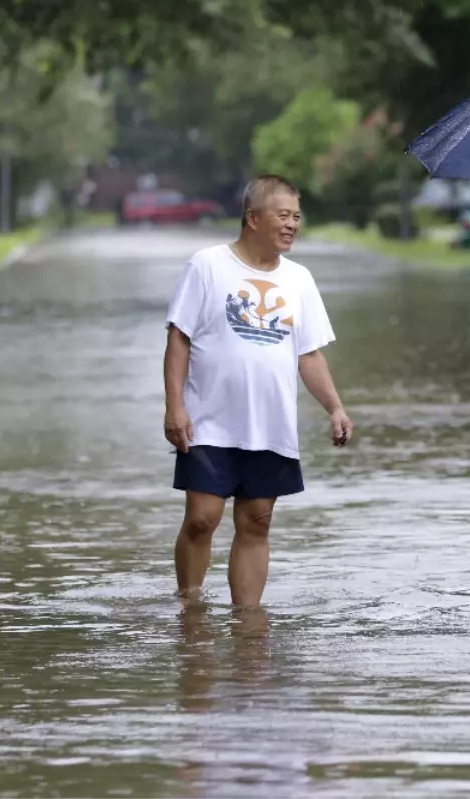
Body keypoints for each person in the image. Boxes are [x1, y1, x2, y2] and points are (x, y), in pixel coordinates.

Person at [163, 174, 353, 607]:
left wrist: (335, 408)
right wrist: (175, 407)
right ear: (252, 217)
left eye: (297, 217)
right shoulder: (207, 265)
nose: (292, 225)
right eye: (282, 215)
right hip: (209, 419)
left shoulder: (299, 279)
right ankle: (189, 609)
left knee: (256, 523)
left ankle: (247, 625)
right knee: (202, 518)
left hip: (270, 424)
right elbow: (179, 338)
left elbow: (309, 355)